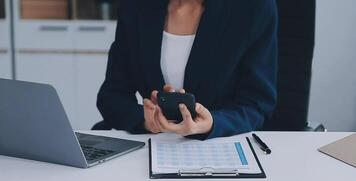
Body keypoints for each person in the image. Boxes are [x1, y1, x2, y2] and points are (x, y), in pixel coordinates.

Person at [97, 0, 278, 140]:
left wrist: (213, 123)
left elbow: (257, 105)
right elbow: (112, 96)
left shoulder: (254, 8)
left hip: (220, 146)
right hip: (153, 149)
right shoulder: (136, 6)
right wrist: (146, 120)